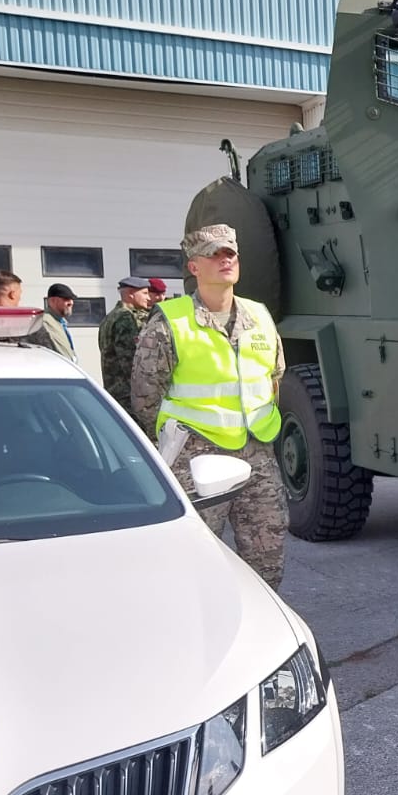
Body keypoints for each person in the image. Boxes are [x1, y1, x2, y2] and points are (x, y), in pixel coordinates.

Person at [131, 225, 288, 589]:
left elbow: (274, 377)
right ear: (194, 267)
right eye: (215, 254)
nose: (226, 259)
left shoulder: (259, 316)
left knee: (268, 556)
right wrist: (180, 438)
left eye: (230, 253)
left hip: (258, 452)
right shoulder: (171, 321)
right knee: (194, 559)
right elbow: (144, 396)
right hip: (196, 454)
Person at [99, 276, 154, 409]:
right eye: (145, 293)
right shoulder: (125, 317)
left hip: (113, 390)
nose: (148, 298)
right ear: (131, 294)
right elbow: (131, 361)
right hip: (127, 395)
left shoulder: (110, 316)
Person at [40, 283, 80, 362]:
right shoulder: (47, 322)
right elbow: (65, 356)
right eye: (66, 299)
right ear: (52, 301)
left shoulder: (60, 322)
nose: (71, 302)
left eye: (71, 299)